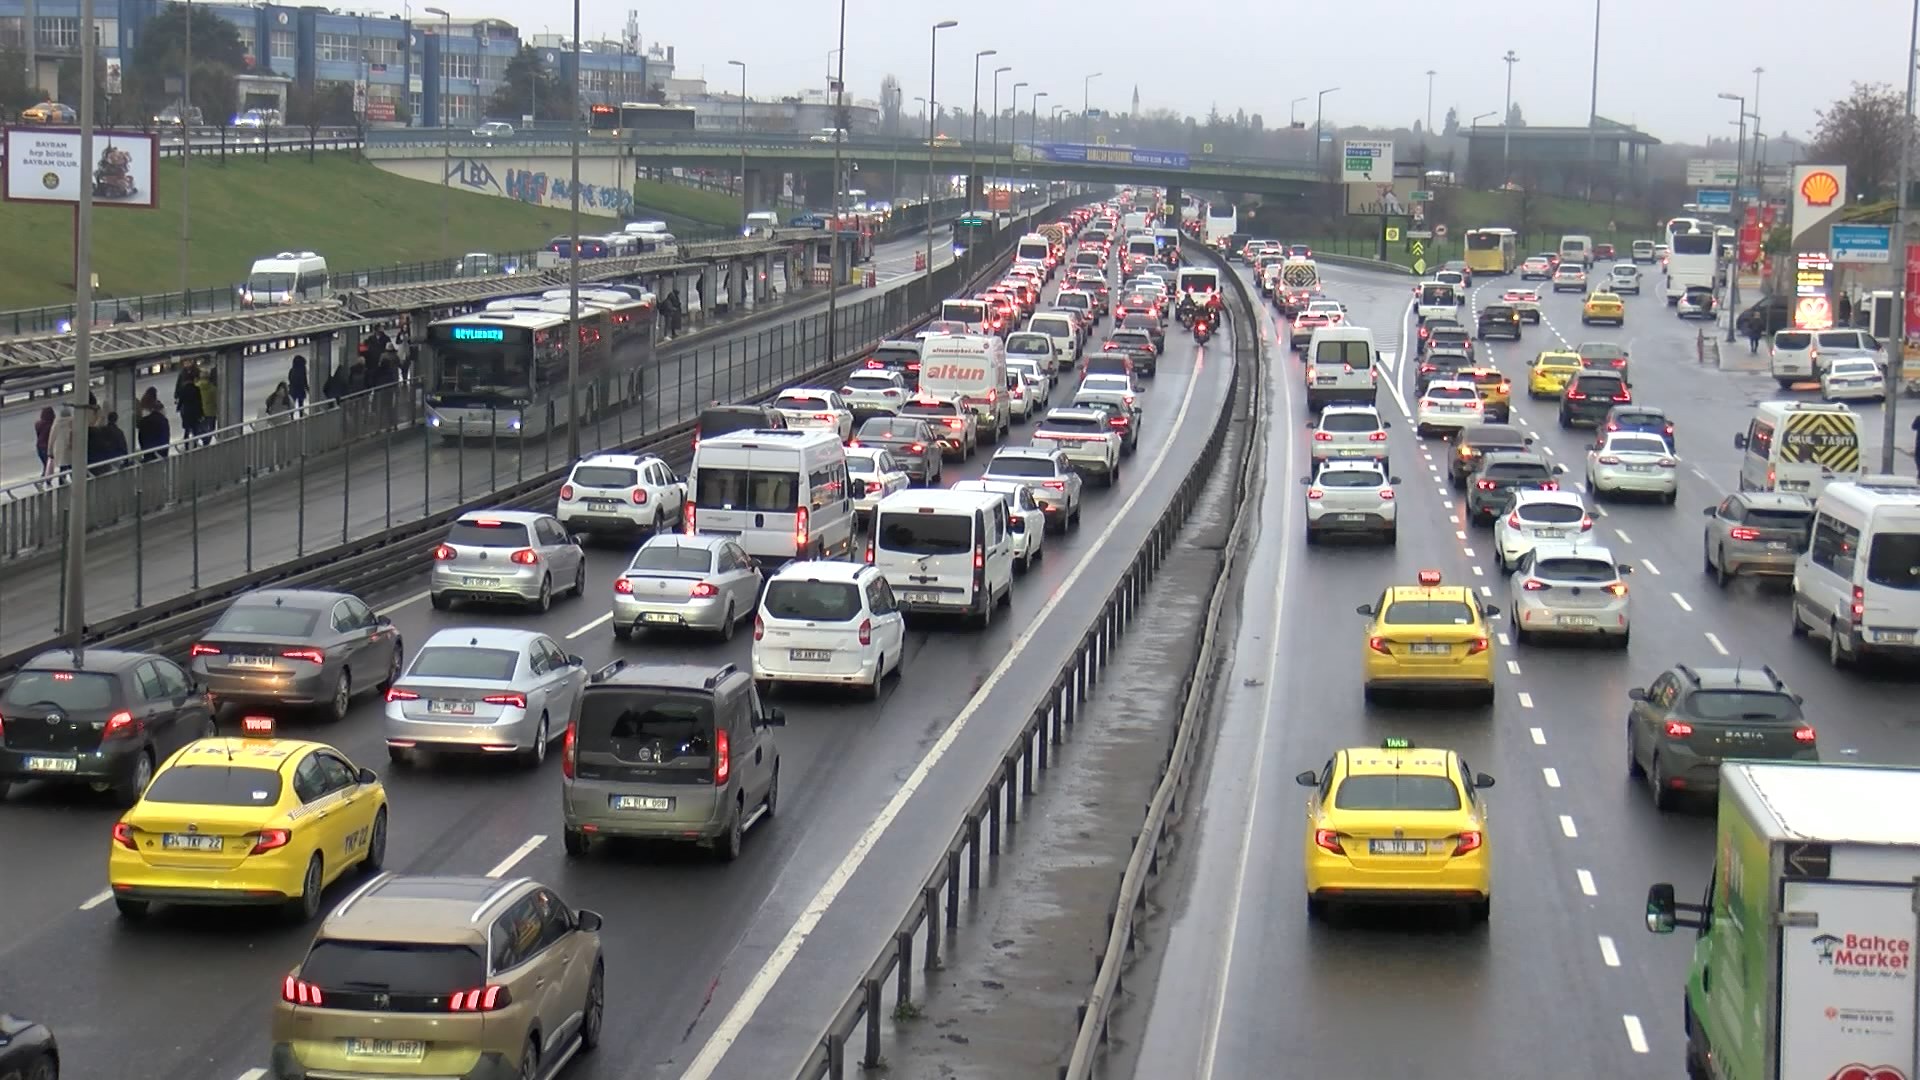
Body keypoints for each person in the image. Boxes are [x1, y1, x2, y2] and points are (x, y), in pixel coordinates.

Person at [136, 387, 171, 459]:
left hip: (148, 445)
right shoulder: (160, 412)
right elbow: (165, 434)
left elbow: (141, 436)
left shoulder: (142, 405)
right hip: (159, 446)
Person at [33, 406, 54, 475]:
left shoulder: (38, 424)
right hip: (46, 447)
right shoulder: (51, 425)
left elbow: (38, 435)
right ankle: (45, 481)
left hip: (39, 446)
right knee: (48, 465)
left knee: (46, 465)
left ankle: (43, 481)